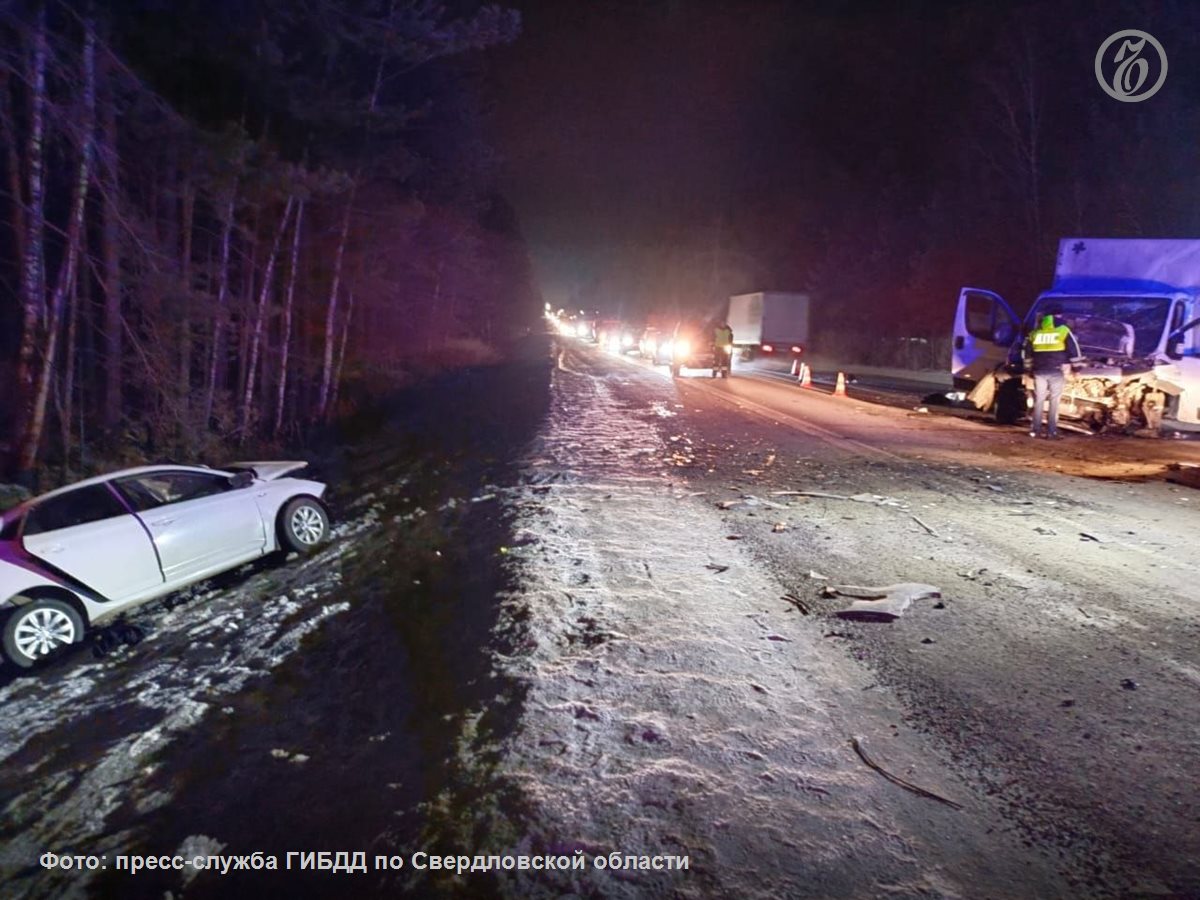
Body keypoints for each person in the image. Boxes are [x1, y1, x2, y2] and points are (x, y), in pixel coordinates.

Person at [1025, 312, 1082, 439]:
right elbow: (1074, 350)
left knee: (1039, 400)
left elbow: (1027, 353)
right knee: (1054, 401)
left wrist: (1029, 370)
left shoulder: (1035, 333)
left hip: (1039, 371)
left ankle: (1035, 431)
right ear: (1058, 318)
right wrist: (1077, 369)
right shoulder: (1063, 330)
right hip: (1056, 371)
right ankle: (1051, 432)